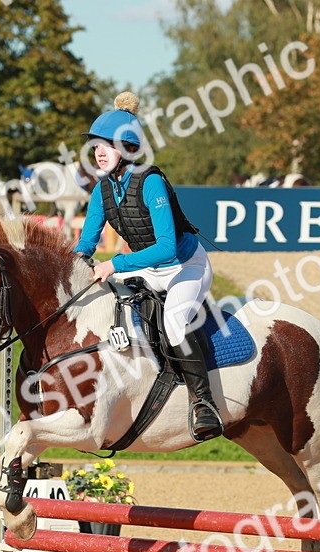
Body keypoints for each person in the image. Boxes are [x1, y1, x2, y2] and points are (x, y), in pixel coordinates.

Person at [73, 91, 222, 442]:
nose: (98, 152)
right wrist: (69, 265)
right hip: (146, 268)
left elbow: (168, 248)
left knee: (173, 321)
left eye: (106, 145)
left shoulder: (150, 181)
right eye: (96, 146)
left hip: (185, 266)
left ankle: (204, 403)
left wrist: (115, 264)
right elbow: (85, 244)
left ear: (127, 149)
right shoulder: (103, 189)